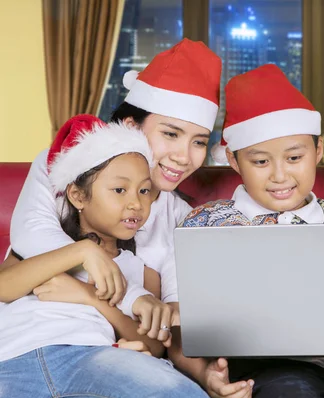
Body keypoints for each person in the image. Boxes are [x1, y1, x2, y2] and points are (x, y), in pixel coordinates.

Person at [173, 64, 324, 398]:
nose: (279, 175)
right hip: (221, 364)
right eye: (260, 162)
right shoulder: (201, 223)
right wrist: (205, 375)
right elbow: (176, 327)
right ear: (234, 160)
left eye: (294, 157)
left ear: (318, 151)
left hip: (308, 369)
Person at [7, 38, 221, 323]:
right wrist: (127, 293)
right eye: (171, 134)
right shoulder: (65, 163)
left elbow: (174, 309)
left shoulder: (181, 218)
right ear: (132, 126)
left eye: (199, 142)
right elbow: (31, 238)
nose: (184, 157)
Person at [0, 115, 209, 398]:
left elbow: (154, 343)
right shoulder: (43, 248)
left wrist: (89, 297)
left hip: (93, 359)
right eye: (119, 190)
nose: (136, 203)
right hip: (11, 355)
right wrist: (81, 251)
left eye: (145, 191)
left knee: (183, 395)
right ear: (77, 196)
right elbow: (4, 287)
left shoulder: (140, 269)